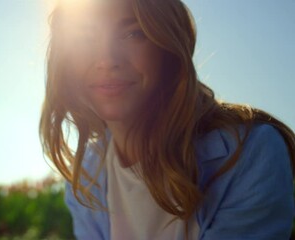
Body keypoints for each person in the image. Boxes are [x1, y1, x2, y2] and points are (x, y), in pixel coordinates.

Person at [39, 0, 295, 239]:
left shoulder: (251, 152)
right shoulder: (86, 174)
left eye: (133, 33)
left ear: (168, 46)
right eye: (85, 38)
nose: (107, 60)